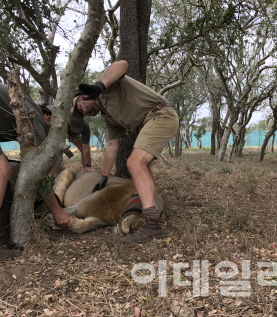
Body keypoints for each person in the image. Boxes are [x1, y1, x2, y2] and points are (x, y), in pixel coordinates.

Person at [70, 60, 179, 244]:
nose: (84, 115)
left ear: (83, 97)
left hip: (160, 115)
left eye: (80, 110)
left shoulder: (104, 82)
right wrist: (104, 176)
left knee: (135, 163)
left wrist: (99, 85)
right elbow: (112, 146)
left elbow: (122, 64)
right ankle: (154, 207)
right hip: (149, 122)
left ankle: (152, 224)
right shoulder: (108, 117)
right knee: (142, 166)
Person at [0, 83, 71, 262]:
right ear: (49, 117)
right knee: (3, 169)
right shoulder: (37, 121)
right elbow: (35, 172)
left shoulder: (30, 107)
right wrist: (57, 211)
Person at [40, 105, 93, 171]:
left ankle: (86, 169)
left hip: (74, 134)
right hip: (59, 132)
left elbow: (86, 147)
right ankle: (52, 175)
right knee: (54, 153)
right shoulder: (58, 118)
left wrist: (88, 165)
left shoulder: (84, 125)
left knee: (83, 149)